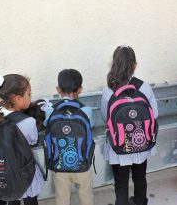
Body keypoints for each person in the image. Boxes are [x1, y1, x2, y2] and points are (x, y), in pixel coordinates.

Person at [101, 45, 158, 205]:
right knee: (140, 176)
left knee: (120, 179)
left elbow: (106, 118)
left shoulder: (108, 90)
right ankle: (140, 201)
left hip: (119, 145)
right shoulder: (144, 87)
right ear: (135, 65)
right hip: (141, 142)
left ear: (113, 64)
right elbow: (155, 114)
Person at [0, 74, 45, 205]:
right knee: (28, 196)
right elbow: (32, 141)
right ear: (18, 98)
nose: (30, 97)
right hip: (20, 174)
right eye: (29, 94)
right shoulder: (28, 122)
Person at [43, 69, 94, 205]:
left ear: (58, 89)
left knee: (62, 198)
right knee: (86, 195)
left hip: (59, 164)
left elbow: (46, 127)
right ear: (80, 89)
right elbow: (91, 126)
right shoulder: (86, 110)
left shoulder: (50, 111)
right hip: (83, 162)